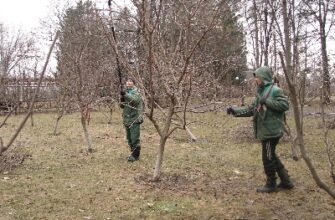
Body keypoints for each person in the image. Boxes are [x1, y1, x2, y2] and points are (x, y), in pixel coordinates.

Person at [227, 66, 294, 193]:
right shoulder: (261, 91)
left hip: (271, 132)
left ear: (264, 77)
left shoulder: (275, 90)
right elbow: (252, 109)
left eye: (257, 77)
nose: (256, 79)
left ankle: (271, 184)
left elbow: (285, 105)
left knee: (267, 158)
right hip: (266, 130)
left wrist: (267, 101)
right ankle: (286, 181)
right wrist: (234, 110)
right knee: (271, 156)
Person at [120, 77, 144, 162]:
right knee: (129, 138)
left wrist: (125, 95)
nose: (129, 82)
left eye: (130, 81)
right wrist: (122, 99)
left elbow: (135, 100)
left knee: (134, 138)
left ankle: (136, 156)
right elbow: (122, 106)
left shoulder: (136, 91)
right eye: (127, 81)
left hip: (135, 118)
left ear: (134, 83)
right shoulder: (126, 92)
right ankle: (132, 154)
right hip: (127, 119)